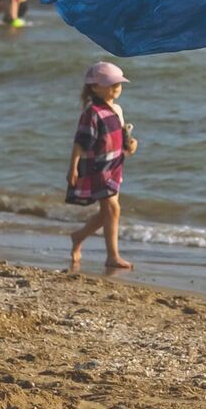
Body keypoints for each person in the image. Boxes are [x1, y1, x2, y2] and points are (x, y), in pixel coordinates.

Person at [66, 61, 137, 271]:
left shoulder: (117, 109)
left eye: (118, 85)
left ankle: (79, 236)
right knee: (113, 209)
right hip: (97, 166)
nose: (116, 89)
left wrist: (131, 145)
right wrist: (73, 167)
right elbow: (81, 141)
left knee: (109, 212)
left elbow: (123, 137)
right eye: (111, 85)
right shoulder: (92, 112)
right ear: (95, 87)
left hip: (115, 165)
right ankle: (112, 256)